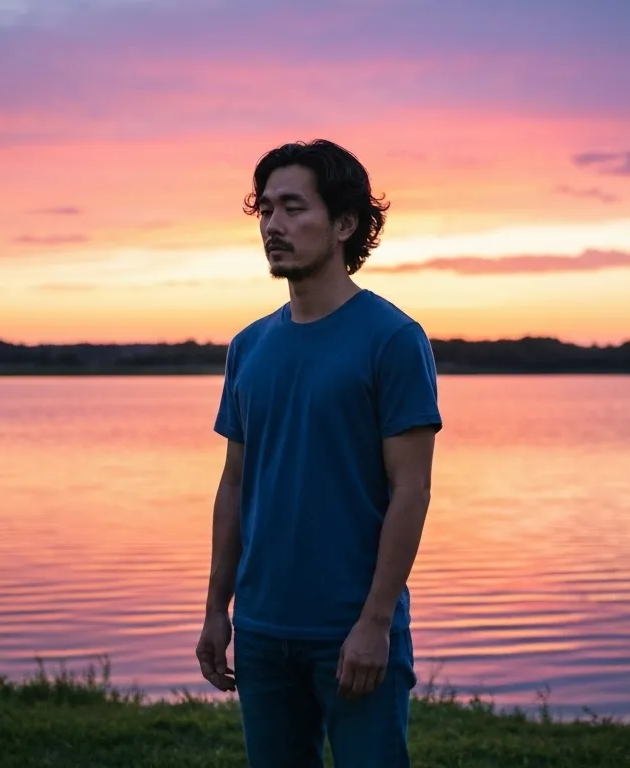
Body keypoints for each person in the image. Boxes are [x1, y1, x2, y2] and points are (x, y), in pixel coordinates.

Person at [195, 139, 442, 767]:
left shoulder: (393, 340)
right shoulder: (248, 347)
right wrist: (217, 609)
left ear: (343, 224)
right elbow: (234, 486)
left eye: (293, 208)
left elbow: (410, 491)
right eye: (267, 211)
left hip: (350, 629)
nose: (274, 227)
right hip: (261, 629)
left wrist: (376, 622)